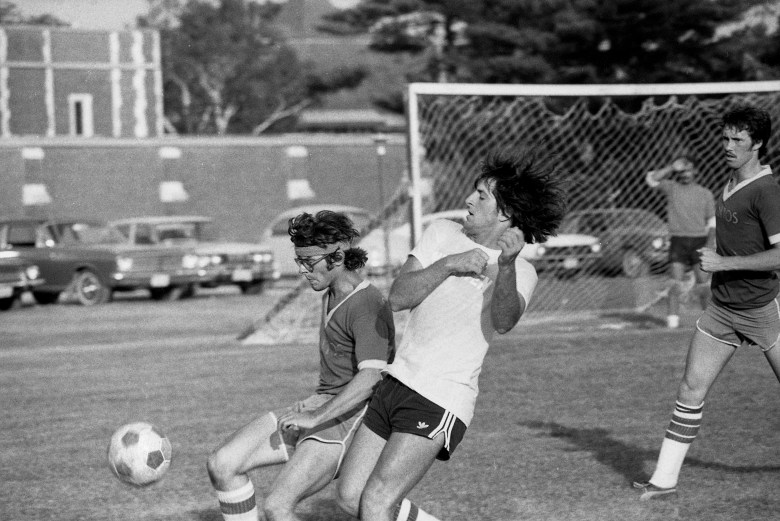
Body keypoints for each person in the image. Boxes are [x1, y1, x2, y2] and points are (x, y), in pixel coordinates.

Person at [335, 150, 567, 521]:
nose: (469, 200)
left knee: (376, 500)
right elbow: (398, 298)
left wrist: (505, 267)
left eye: (481, 196)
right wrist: (448, 265)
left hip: (439, 396)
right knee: (350, 497)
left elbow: (504, 321)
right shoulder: (441, 233)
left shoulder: (522, 270)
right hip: (395, 383)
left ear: (505, 213)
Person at [207, 210, 395, 521]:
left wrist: (316, 416)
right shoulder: (331, 293)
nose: (302, 270)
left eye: (308, 262)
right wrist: (313, 408)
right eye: (299, 261)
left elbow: (372, 378)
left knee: (278, 507)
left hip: (351, 416)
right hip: (323, 405)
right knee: (222, 464)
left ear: (336, 256)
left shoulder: (366, 304)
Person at [634, 105, 780, 500]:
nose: (728, 146)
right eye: (725, 138)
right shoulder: (730, 182)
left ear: (758, 144)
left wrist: (722, 263)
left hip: (762, 312)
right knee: (690, 390)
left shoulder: (767, 191)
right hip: (721, 311)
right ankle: (663, 480)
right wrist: (717, 257)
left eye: (738, 140)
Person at [645, 156, 716, 328]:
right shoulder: (672, 188)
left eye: (688, 170)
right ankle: (672, 323)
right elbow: (651, 180)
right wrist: (671, 167)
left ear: (695, 171)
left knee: (703, 285)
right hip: (678, 241)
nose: (685, 174)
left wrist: (709, 245)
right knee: (674, 283)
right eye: (682, 171)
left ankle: (709, 323)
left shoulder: (705, 193)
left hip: (699, 242)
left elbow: (712, 222)